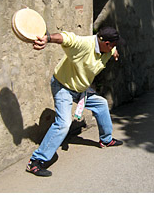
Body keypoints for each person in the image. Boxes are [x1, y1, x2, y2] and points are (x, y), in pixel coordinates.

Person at [26, 26, 125, 177]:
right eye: (113, 45)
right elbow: (66, 38)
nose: (114, 47)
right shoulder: (85, 44)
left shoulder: (109, 48)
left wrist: (114, 53)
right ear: (104, 42)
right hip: (63, 87)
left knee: (101, 104)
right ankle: (36, 161)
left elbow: (113, 51)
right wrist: (48, 38)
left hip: (80, 89)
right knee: (64, 123)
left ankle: (106, 140)